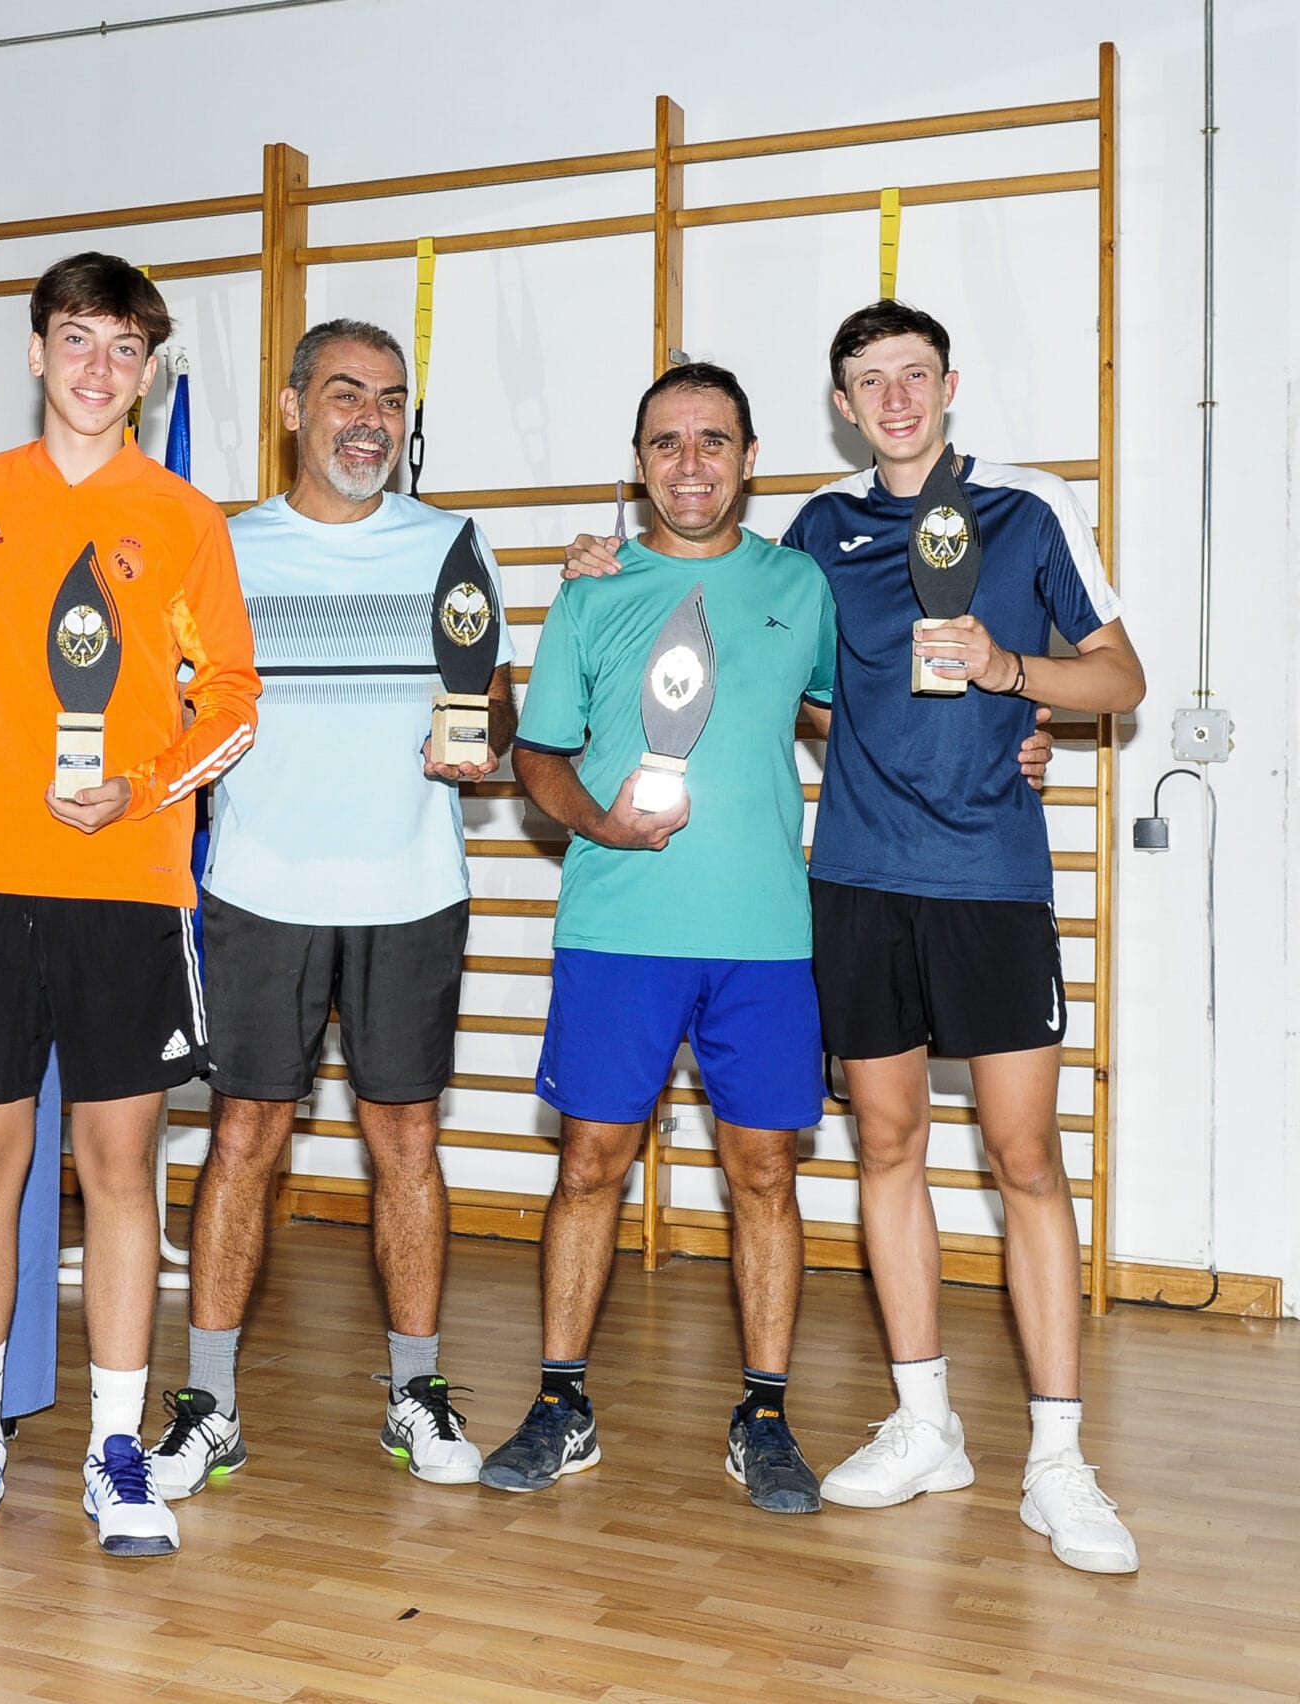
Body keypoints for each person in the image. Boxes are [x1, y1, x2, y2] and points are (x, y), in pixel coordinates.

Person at [562, 303, 1141, 1573]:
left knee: (1025, 1155)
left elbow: (1120, 679)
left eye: (912, 375)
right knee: (885, 1146)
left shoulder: (1028, 508)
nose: (893, 399)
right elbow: (782, 671)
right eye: (868, 381)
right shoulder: (818, 533)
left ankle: (1056, 1458)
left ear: (948, 382)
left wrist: (1011, 679)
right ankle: (927, 1424)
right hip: (857, 884)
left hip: (990, 882)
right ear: (840, 404)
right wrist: (600, 563)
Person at [0, 252, 260, 1559]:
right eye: (76, 341)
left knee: (119, 1170)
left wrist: (142, 787)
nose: (98, 369)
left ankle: (118, 1446)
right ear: (36, 353)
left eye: (123, 349)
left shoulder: (182, 516)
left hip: (124, 886)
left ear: (147, 369)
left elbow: (233, 700)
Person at [146, 319, 513, 1500]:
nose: (370, 419)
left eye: (391, 399)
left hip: (411, 889)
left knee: (406, 1143)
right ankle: (208, 1406)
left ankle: (417, 1392)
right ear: (294, 408)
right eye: (346, 394)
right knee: (243, 1138)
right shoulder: (225, 545)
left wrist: (479, 740)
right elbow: (174, 710)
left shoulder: (449, 543)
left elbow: (494, 706)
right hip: (260, 889)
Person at [486, 362, 836, 1515]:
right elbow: (537, 752)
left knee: (764, 1174)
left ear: (749, 458)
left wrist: (1002, 735)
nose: (691, 463)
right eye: (666, 443)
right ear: (637, 466)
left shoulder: (800, 586)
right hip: (618, 929)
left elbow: (851, 712)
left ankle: (764, 1415)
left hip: (763, 939)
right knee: (588, 1165)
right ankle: (560, 1403)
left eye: (713, 440)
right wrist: (598, 822)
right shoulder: (591, 592)